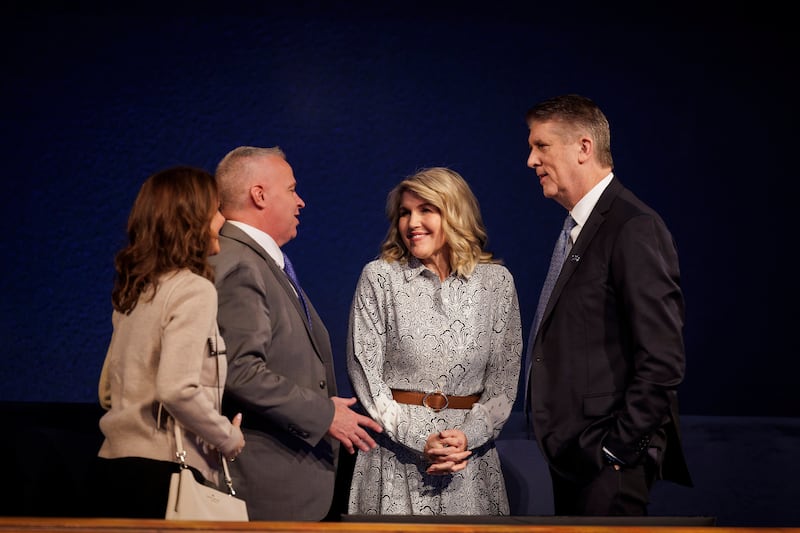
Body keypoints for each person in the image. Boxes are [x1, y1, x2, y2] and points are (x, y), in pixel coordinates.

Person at [523, 94, 693, 516]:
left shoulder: (633, 226)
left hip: (608, 459)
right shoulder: (579, 227)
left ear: (584, 147)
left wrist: (619, 448)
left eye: (542, 146)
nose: (531, 160)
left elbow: (662, 358)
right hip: (574, 456)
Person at [209, 145, 383, 521]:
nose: (300, 201)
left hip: (288, 483)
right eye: (291, 189)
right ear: (259, 195)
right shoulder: (240, 265)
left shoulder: (258, 262)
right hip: (266, 487)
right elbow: (240, 370)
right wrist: (323, 413)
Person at [347, 167, 523, 515]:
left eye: (426, 210)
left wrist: (467, 438)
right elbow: (366, 376)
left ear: (455, 213)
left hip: (468, 461)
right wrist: (418, 439)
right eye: (405, 213)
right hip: (395, 458)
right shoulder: (380, 278)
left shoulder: (497, 283)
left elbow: (504, 381)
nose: (412, 223)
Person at [91, 166, 246, 518]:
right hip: (162, 478)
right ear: (192, 220)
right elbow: (177, 389)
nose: (223, 220)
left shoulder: (135, 292)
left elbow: (108, 392)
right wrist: (228, 437)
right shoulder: (194, 289)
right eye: (216, 210)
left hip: (111, 469)